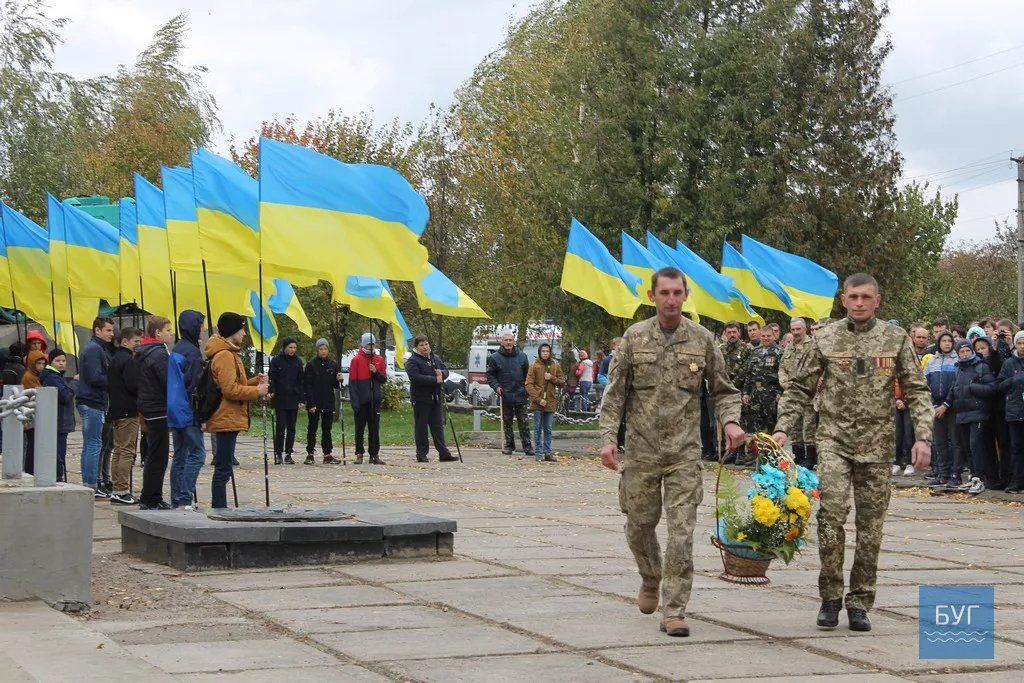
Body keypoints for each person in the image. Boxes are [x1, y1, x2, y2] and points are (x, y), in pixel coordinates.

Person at [774, 273, 932, 633]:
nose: (859, 303)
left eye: (866, 297)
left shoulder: (895, 338)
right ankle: (830, 596)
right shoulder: (825, 338)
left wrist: (923, 436)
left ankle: (860, 601)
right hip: (834, 441)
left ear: (877, 300)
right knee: (831, 516)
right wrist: (784, 426)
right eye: (853, 297)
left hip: (877, 445)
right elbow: (798, 388)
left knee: (871, 526)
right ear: (843, 300)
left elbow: (917, 389)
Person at [600, 266, 743, 638]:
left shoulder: (702, 339)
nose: (671, 300)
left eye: (677, 293)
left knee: (682, 533)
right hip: (642, 452)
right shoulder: (634, 338)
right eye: (664, 293)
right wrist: (608, 438)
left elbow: (723, 390)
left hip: (684, 453)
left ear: (685, 295)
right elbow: (614, 394)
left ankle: (675, 609)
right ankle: (650, 575)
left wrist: (730, 422)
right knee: (639, 526)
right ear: (652, 296)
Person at [205, 312, 268, 509]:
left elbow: (236, 384)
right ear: (232, 331)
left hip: (230, 416)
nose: (244, 333)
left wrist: (254, 382)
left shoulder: (230, 353)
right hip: (226, 416)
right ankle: (219, 507)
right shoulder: (224, 355)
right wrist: (257, 391)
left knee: (225, 467)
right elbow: (230, 390)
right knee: (223, 468)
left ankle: (220, 506)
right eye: (241, 329)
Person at [946, 339, 997, 495]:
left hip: (978, 412)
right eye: (962, 351)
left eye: (968, 350)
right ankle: (973, 476)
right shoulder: (958, 369)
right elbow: (954, 389)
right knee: (967, 446)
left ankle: (979, 478)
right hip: (962, 413)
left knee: (976, 445)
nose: (965, 354)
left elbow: (992, 388)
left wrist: (972, 387)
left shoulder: (981, 366)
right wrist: (947, 404)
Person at [168, 311, 207, 509]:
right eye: (201, 326)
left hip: (174, 408)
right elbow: (195, 387)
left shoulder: (178, 348)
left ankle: (176, 499)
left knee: (180, 455)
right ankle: (184, 498)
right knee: (198, 454)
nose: (204, 330)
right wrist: (202, 415)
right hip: (187, 409)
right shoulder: (192, 352)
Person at [135, 317, 174, 510]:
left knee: (154, 454)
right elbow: (168, 381)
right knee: (159, 456)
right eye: (168, 330)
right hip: (158, 408)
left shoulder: (145, 352)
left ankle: (150, 496)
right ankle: (151, 497)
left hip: (150, 406)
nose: (171, 334)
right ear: (157, 333)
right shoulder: (158, 354)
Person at [77, 316, 115, 498]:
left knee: (91, 444)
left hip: (92, 400)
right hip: (92, 401)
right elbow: (95, 377)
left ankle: (90, 482)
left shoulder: (97, 348)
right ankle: (91, 483)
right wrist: (115, 381)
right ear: (97, 330)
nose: (111, 334)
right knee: (93, 444)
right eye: (108, 330)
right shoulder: (94, 349)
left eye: (112, 330)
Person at [406, 334, 458, 463]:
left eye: (426, 344)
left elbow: (445, 370)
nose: (425, 347)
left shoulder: (435, 358)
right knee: (421, 427)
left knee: (438, 427)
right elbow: (416, 377)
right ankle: (421, 453)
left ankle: (444, 453)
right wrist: (435, 379)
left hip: (436, 397)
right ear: (416, 347)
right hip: (421, 399)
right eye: (421, 345)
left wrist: (442, 374)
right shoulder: (413, 361)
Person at [108, 326, 142, 505]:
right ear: (125, 341)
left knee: (119, 450)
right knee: (127, 451)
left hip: (116, 410)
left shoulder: (115, 358)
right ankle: (122, 490)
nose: (138, 345)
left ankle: (116, 489)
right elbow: (133, 385)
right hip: (128, 410)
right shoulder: (128, 360)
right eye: (136, 341)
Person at [486, 333, 534, 456]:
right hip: (505, 394)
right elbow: (490, 375)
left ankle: (527, 446)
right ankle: (509, 445)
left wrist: (527, 389)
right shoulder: (495, 357)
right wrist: (496, 386)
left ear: (514, 342)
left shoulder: (522, 356)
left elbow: (528, 375)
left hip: (520, 394)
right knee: (507, 423)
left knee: (524, 423)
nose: (508, 342)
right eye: (506, 340)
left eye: (510, 340)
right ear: (502, 342)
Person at [924, 330, 961, 487]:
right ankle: (943, 474)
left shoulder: (957, 360)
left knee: (955, 442)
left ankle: (955, 474)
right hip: (935, 408)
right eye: (943, 341)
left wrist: (946, 405)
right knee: (939, 443)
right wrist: (934, 405)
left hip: (952, 407)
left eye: (949, 341)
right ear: (938, 343)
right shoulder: (931, 362)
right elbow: (925, 385)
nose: (947, 343)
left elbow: (956, 385)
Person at [779, 318, 817, 469]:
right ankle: (798, 455)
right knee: (794, 426)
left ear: (805, 329)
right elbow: (782, 368)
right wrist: (785, 383)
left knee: (809, 426)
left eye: (798, 329)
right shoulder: (789, 347)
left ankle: (810, 457)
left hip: (808, 393)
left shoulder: (812, 345)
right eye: (793, 329)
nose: (795, 332)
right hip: (792, 392)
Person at [346, 334, 386, 465]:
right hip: (362, 401)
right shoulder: (356, 360)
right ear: (363, 345)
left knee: (374, 429)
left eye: (373, 344)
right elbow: (352, 383)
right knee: (360, 429)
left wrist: (375, 371)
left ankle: (374, 454)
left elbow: (383, 379)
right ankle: (359, 454)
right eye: (369, 344)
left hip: (375, 400)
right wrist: (355, 402)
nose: (371, 347)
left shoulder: (379, 359)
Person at [40, 348, 76, 482]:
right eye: (58, 361)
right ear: (51, 362)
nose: (61, 363)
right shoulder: (53, 377)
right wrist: (75, 383)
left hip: (60, 420)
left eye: (63, 361)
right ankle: (57, 477)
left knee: (59, 451)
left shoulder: (57, 376)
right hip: (58, 420)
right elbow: (65, 396)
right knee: (58, 452)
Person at [525, 342, 565, 462]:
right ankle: (538, 451)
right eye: (543, 351)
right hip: (538, 402)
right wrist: (538, 399)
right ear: (539, 352)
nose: (545, 353)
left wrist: (552, 378)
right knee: (538, 428)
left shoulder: (555, 365)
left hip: (550, 401)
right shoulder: (534, 366)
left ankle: (548, 452)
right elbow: (528, 384)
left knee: (548, 428)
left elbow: (562, 382)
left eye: (547, 351)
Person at [269, 336, 304, 465]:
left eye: (294, 347)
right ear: (284, 347)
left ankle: (288, 453)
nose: (292, 350)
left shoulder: (298, 362)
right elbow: (272, 377)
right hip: (280, 398)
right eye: (290, 347)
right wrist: (271, 391)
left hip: (293, 398)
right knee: (280, 427)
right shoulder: (276, 361)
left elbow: (301, 381)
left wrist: (301, 399)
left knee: (291, 428)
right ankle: (278, 453)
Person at [997, 331, 1024, 494]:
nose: (1022, 346)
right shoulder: (1009, 364)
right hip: (1015, 412)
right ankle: (1017, 480)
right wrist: (1014, 380)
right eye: (1019, 343)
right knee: (1016, 447)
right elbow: (1000, 385)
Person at [20, 350, 46, 475]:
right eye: (38, 363)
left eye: (43, 364)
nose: (41, 366)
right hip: (31, 416)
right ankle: (30, 470)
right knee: (31, 444)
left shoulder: (37, 376)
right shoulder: (29, 377)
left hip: (35, 415)